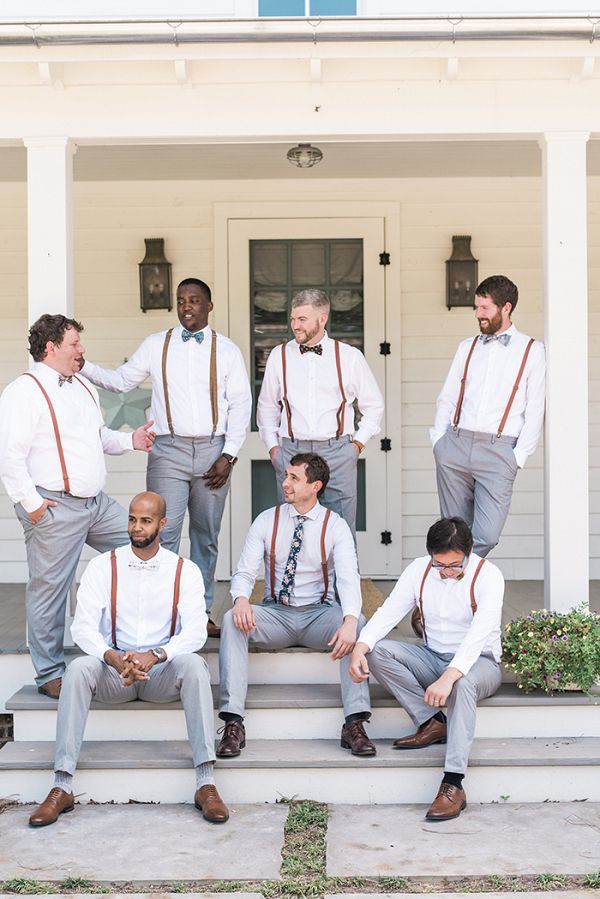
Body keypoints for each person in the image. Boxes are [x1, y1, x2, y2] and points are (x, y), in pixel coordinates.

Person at [28, 491, 228, 828]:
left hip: (161, 673)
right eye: (133, 519)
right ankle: (61, 786)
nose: (136, 527)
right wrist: (112, 657)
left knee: (194, 665)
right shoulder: (103, 566)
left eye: (146, 520)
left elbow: (195, 631)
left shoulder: (185, 571)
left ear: (163, 524)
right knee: (77, 668)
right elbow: (83, 627)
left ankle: (205, 783)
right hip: (114, 673)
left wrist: (156, 655)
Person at [80, 277, 252, 636]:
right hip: (168, 451)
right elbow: (121, 381)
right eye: (181, 300)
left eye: (195, 300)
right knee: (164, 534)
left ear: (209, 305)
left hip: (213, 451)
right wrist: (82, 365)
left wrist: (229, 455)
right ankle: (164, 617)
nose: (187, 306)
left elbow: (241, 405)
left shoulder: (228, 351)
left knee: (206, 535)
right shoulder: (157, 344)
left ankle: (200, 612)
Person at [0, 314, 154, 698]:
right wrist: (33, 505)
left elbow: (96, 436)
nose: (81, 350)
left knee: (148, 549)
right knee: (49, 590)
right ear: (51, 348)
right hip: (54, 508)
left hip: (97, 507)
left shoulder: (82, 386)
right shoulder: (24, 391)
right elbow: (9, 455)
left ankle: (142, 643)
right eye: (74, 344)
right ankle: (50, 674)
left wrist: (130, 440)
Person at [217, 453, 374, 759]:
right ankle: (233, 722)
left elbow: (348, 579)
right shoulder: (266, 520)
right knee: (230, 620)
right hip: (276, 614)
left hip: (319, 615)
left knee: (359, 624)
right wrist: (240, 600)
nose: (285, 483)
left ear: (315, 486)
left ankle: (355, 723)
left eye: (293, 478)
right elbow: (246, 571)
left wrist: (350, 619)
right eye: (286, 476)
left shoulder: (335, 526)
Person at [349, 517, 503, 821]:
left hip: (480, 663)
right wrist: (359, 647)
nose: (446, 572)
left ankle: (454, 784)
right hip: (431, 655)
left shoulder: (490, 576)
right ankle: (432, 721)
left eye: (454, 566)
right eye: (439, 565)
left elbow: (478, 636)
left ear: (470, 552)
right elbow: (389, 612)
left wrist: (449, 676)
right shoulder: (418, 570)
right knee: (378, 650)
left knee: (462, 685)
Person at [431, 275, 545, 558]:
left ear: (506, 308)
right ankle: (451, 595)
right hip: (455, 445)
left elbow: (535, 408)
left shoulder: (532, 350)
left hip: (499, 450)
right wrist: (439, 442)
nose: (478, 314)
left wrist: (518, 456)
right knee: (452, 531)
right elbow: (448, 397)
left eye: (485, 308)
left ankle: (452, 577)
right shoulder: (466, 347)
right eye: (476, 307)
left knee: (487, 534)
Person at [257, 289, 384, 537]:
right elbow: (267, 407)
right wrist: (274, 450)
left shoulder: (349, 357)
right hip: (292, 452)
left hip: (337, 453)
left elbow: (373, 405)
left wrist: (356, 446)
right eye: (293, 319)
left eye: (302, 319)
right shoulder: (278, 356)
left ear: (322, 318)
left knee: (341, 532)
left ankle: (342, 578)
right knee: (292, 530)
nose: (295, 325)